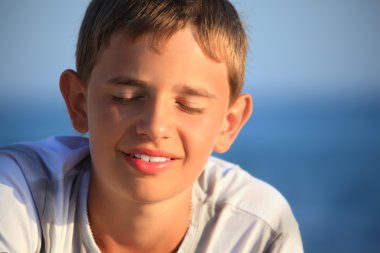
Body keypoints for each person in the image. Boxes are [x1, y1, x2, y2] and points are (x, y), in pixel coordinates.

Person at [0, 0, 303, 252]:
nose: (155, 126)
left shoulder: (257, 231)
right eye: (126, 97)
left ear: (229, 123)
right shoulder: (14, 194)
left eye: (189, 106)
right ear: (79, 102)